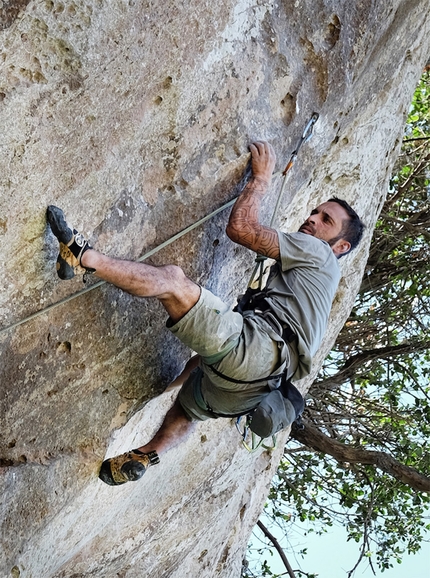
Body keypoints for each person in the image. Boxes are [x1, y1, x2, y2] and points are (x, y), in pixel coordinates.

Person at [47, 141, 365, 486]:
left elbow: (241, 231)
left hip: (256, 351)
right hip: (252, 391)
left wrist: (260, 181)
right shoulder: (312, 287)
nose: (312, 219)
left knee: (173, 281)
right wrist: (169, 385)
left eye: (326, 219)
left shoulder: (319, 253)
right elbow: (217, 355)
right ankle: (146, 454)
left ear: (341, 245)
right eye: (315, 212)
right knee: (189, 406)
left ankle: (83, 257)